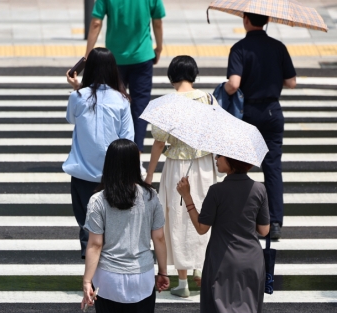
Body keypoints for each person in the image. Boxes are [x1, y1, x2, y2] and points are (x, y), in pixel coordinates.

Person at [144, 55, 218, 297]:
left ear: (172, 76)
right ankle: (200, 266)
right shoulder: (208, 99)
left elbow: (158, 142)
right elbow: (217, 132)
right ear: (194, 74)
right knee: (203, 212)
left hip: (177, 164)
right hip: (204, 163)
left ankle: (183, 282)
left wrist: (150, 174)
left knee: (176, 218)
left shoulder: (166, 103)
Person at [85, 0, 165, 152]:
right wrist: (158, 47)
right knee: (139, 106)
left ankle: (113, 150)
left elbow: (95, 22)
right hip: (142, 57)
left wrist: (88, 54)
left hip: (114, 61)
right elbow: (157, 21)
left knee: (112, 104)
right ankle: (135, 151)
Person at [224, 12, 297, 240]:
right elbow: (291, 82)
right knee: (272, 167)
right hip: (272, 112)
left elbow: (234, 84)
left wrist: (224, 90)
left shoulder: (239, 48)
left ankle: (240, 218)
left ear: (245, 20)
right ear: (268, 21)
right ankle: (274, 222)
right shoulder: (278, 47)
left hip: (248, 114)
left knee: (239, 166)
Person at [81, 139, 169, 312]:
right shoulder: (150, 196)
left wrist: (86, 281)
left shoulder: (98, 200)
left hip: (108, 278)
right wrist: (163, 272)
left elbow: (95, 244)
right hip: (142, 276)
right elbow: (159, 238)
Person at [64, 47, 134, 259]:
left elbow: (70, 119)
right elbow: (127, 138)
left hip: (83, 173)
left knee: (87, 224)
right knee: (111, 223)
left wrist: (78, 87)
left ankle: (90, 279)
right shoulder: (122, 100)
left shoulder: (78, 97)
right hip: (112, 174)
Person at [177, 155, 270, 312]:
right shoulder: (259, 189)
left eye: (220, 156)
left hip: (222, 259)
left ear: (232, 160)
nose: (216, 159)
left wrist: (187, 196)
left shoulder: (216, 191)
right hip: (252, 260)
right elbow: (264, 230)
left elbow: (201, 228)